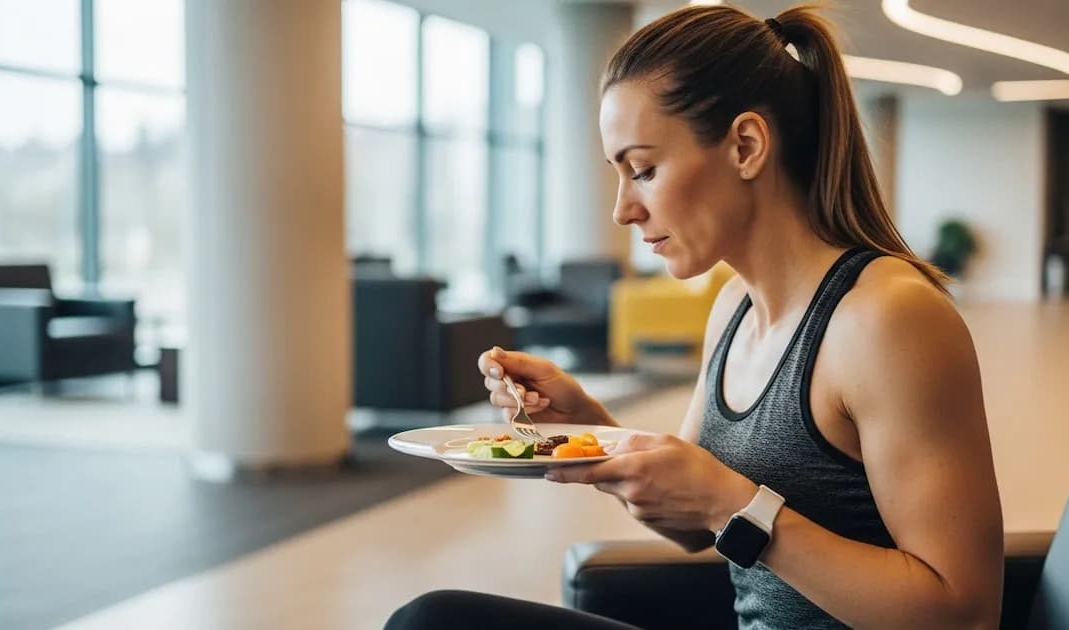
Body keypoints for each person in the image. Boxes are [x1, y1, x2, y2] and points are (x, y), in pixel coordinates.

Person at [386, 4, 1003, 629]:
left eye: (644, 170)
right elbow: (692, 525)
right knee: (433, 619)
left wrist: (732, 500)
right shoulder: (734, 307)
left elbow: (964, 612)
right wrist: (589, 433)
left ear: (746, 146)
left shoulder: (886, 318)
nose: (624, 210)